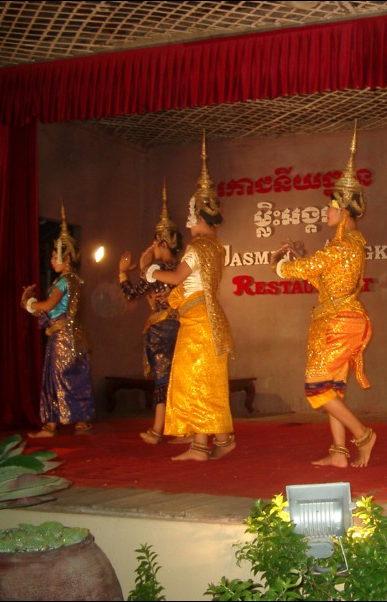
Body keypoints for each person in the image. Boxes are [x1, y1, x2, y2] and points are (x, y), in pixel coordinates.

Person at [271, 123, 376, 468]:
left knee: (316, 386)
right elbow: (324, 280)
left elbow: (307, 269)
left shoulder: (345, 245)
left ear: (344, 211)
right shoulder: (346, 245)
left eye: (331, 207)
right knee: (331, 387)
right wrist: (301, 259)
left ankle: (363, 435)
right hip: (335, 317)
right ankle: (338, 452)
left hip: (340, 322)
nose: (326, 213)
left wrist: (281, 265)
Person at [140, 134, 235, 461]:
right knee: (210, 380)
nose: (187, 220)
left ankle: (199, 446)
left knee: (193, 380)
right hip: (210, 319)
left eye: (190, 213)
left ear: (199, 215)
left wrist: (151, 272)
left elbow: (178, 277)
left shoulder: (197, 247)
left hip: (198, 322)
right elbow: (189, 284)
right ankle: (222, 440)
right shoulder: (217, 246)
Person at [21, 201, 96, 437]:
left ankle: (51, 425)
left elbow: (49, 306)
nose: (52, 260)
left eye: (56, 256)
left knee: (57, 380)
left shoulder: (64, 281)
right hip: (72, 336)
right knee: (75, 379)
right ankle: (80, 422)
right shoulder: (76, 280)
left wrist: (29, 303)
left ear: (67, 257)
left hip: (63, 337)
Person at [119, 181, 184, 445]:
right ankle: (180, 429)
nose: (152, 247)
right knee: (175, 379)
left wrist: (123, 271)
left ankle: (158, 429)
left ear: (163, 243)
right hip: (179, 327)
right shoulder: (179, 269)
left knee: (163, 378)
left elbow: (130, 294)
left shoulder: (158, 270)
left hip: (163, 328)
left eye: (156, 243)